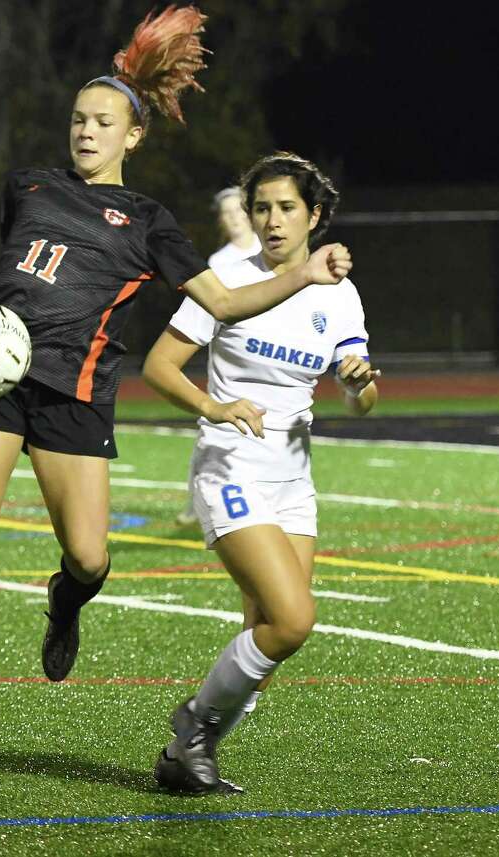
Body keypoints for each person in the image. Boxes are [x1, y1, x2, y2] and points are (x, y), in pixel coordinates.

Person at [0, 6, 353, 685]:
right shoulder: (29, 185)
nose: (87, 131)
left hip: (77, 391)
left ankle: (64, 602)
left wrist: (302, 274)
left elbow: (227, 304)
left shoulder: (149, 221)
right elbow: (12, 279)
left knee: (88, 558)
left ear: (134, 136)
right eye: (79, 120)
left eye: (103, 122)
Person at [142, 152, 379, 794]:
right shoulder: (224, 276)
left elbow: (360, 398)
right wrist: (213, 406)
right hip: (231, 463)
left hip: (294, 472)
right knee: (294, 616)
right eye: (262, 208)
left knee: (269, 632)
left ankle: (185, 755)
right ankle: (195, 724)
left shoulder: (340, 293)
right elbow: (160, 367)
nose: (272, 221)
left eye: (286, 208)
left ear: (315, 215)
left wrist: (358, 384)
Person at [176, 186, 262, 527]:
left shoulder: (269, 251)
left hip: (265, 357)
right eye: (226, 213)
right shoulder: (220, 261)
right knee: (213, 434)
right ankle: (197, 504)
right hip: (230, 356)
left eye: (238, 211)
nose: (233, 218)